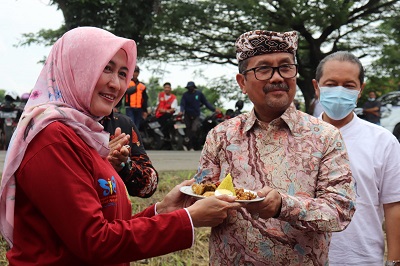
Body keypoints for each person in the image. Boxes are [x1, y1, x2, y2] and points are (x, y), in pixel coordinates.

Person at [0, 27, 242, 265]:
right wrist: (187, 220)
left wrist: (163, 210)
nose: (116, 84)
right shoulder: (53, 138)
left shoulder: (84, 134)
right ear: (75, 68)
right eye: (106, 68)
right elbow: (95, 241)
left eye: (123, 73)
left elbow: (106, 224)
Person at [194, 30, 356, 265]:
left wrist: (283, 205)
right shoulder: (221, 136)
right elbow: (201, 199)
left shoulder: (325, 136)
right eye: (263, 69)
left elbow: (340, 210)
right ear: (242, 82)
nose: (277, 77)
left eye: (285, 67)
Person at [312, 51, 400, 266]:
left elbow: (394, 206)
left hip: (361, 259)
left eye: (349, 85)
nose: (339, 91)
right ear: (317, 87)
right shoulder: (296, 138)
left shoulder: (383, 141)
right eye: (331, 84)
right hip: (305, 258)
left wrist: (395, 260)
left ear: (360, 89)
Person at [100, 109, 158, 197]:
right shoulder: (71, 127)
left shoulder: (123, 123)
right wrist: (101, 162)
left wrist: (124, 166)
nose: (113, 94)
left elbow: (149, 187)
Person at [179, 81, 218, 151]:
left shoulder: (199, 94)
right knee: (188, 130)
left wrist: (214, 109)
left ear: (194, 87)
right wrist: (181, 111)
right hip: (187, 115)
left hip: (196, 115)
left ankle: (193, 145)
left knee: (194, 129)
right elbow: (182, 104)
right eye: (188, 88)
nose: (190, 89)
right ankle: (189, 146)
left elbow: (206, 103)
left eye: (191, 87)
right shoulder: (185, 95)